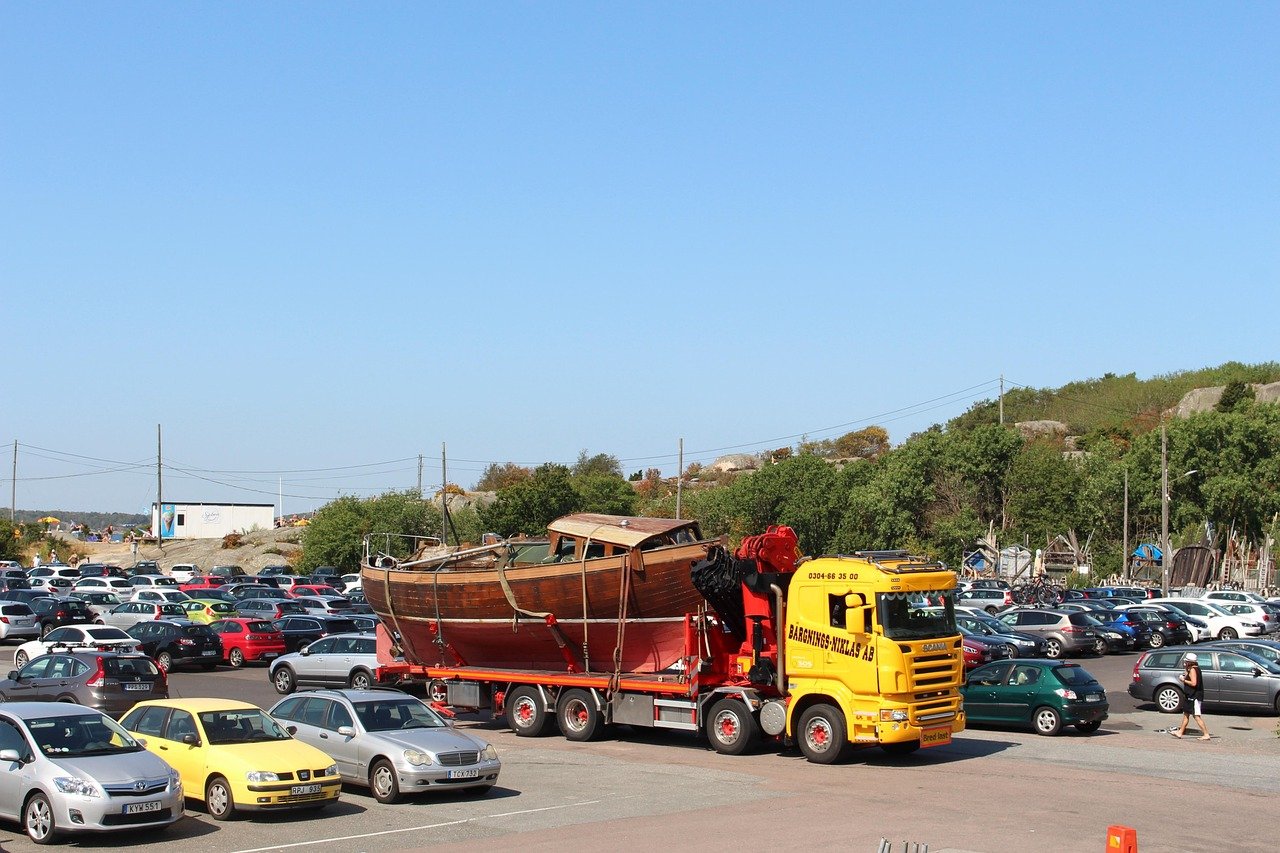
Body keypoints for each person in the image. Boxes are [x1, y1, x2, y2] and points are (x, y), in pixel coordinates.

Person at [1172, 652, 1211, 740]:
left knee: (1196, 716)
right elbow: (1187, 675)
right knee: (1186, 714)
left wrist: (1183, 681)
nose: (1185, 663)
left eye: (1186, 661)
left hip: (1194, 696)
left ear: (1190, 662)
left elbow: (1194, 683)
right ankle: (1180, 732)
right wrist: (1186, 669)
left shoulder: (1193, 670)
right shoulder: (1192, 669)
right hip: (1190, 695)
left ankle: (1206, 734)